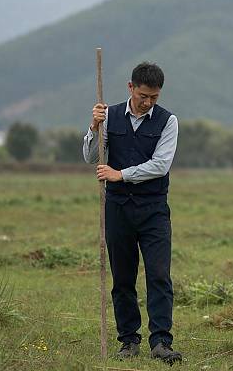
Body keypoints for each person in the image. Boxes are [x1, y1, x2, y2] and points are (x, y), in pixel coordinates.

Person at [83, 62, 182, 363]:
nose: (148, 102)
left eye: (154, 97)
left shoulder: (168, 121)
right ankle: (128, 341)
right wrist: (93, 128)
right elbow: (90, 158)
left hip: (153, 211)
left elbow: (160, 165)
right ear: (130, 88)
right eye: (143, 95)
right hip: (118, 209)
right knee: (122, 278)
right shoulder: (109, 115)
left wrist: (120, 174)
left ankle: (161, 342)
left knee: (159, 275)